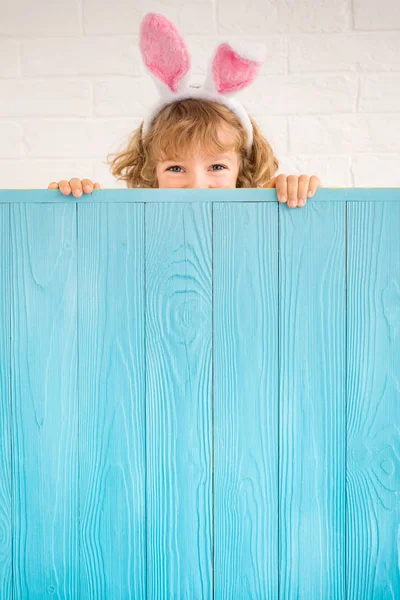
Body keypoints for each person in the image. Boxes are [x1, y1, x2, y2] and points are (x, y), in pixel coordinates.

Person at [48, 12, 321, 209]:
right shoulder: (131, 221)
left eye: (217, 166)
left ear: (243, 169)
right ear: (150, 172)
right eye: (176, 167)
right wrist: (64, 207)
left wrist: (290, 196)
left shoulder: (261, 218)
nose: (197, 184)